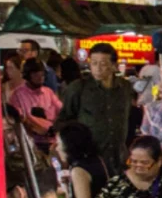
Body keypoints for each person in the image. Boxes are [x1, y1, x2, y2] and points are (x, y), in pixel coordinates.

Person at [56, 43, 134, 175]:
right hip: (89, 159)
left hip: (119, 158)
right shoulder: (79, 88)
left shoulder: (125, 88)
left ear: (114, 65)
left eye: (103, 63)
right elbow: (64, 121)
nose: (98, 68)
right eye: (94, 63)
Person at [94, 136, 162, 198]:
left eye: (144, 163)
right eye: (134, 162)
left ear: (159, 161)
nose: (138, 167)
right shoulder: (117, 182)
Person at [9, 58, 62, 152]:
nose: (40, 77)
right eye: (36, 74)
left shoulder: (48, 92)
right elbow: (20, 118)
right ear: (27, 75)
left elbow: (61, 110)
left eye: (42, 74)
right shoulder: (18, 94)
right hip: (30, 144)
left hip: (52, 143)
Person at [55, 121, 108, 198]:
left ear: (69, 145)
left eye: (59, 144)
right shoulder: (96, 159)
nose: (57, 148)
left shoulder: (78, 170)